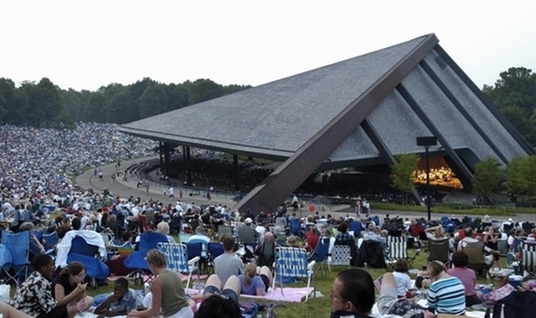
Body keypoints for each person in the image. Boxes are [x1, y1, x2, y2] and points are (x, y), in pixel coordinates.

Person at [330, 268, 429, 318]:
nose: (330, 296)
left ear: (348, 306)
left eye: (333, 295)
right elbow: (388, 276)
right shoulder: (388, 309)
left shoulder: (386, 308)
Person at [127, 249, 193, 318]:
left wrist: (136, 313)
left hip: (174, 315)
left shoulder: (157, 282)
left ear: (152, 264)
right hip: (188, 312)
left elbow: (154, 311)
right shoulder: (175, 275)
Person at [12, 254, 80, 318]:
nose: (54, 267)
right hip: (27, 314)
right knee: (72, 309)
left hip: (20, 311)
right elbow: (52, 307)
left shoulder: (34, 277)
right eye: (51, 265)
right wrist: (75, 294)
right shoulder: (39, 283)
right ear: (43, 268)